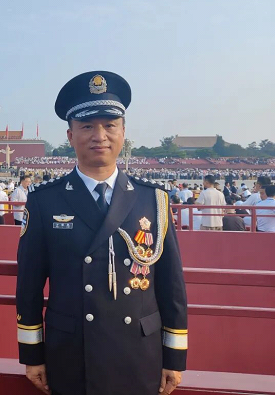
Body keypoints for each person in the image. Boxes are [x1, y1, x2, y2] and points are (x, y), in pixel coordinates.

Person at [16, 71, 187, 395]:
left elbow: (171, 285)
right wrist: (32, 354)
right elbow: (29, 284)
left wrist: (175, 356)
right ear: (70, 136)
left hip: (139, 352)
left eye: (109, 125)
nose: (100, 136)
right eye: (87, 127)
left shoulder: (153, 199)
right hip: (71, 352)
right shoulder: (44, 201)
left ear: (123, 132)